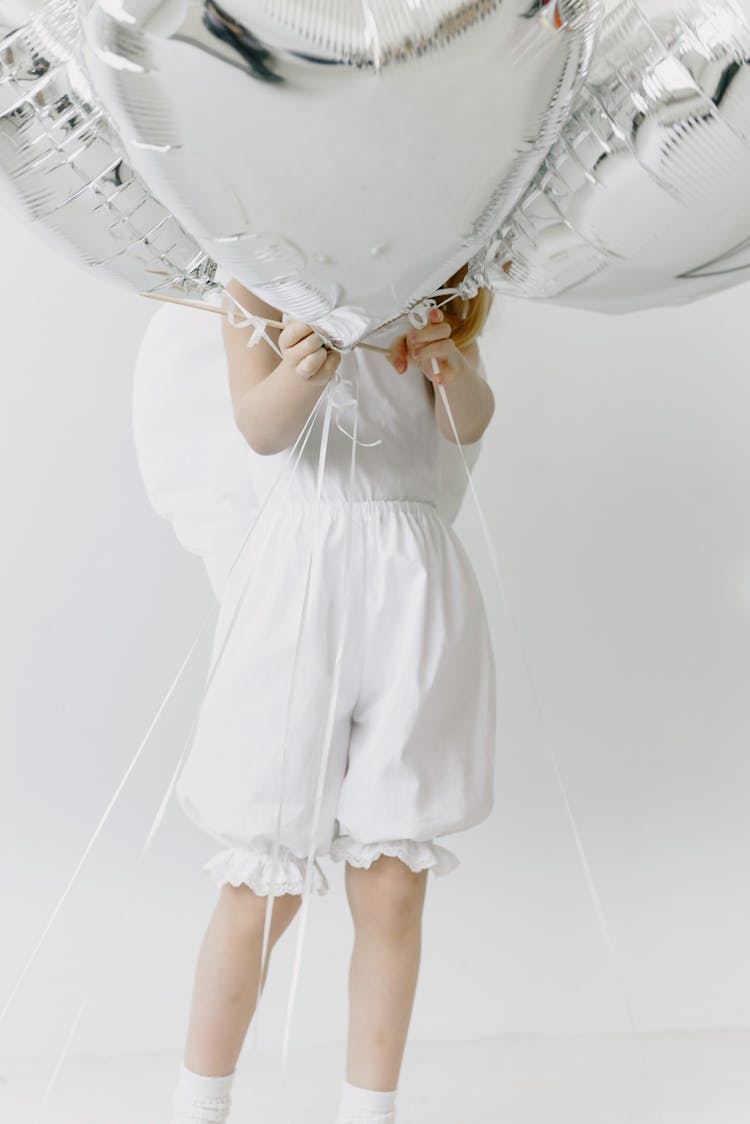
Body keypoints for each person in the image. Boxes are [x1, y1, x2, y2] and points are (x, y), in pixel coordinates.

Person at [140, 263, 497, 1124]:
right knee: (266, 878)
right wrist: (308, 364)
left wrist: (451, 364)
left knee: (391, 879)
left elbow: (469, 423)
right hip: (300, 573)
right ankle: (201, 1103)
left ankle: (368, 1109)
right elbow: (259, 430)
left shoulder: (436, 274)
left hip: (413, 578)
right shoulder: (255, 277)